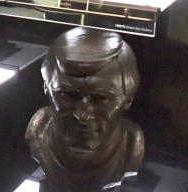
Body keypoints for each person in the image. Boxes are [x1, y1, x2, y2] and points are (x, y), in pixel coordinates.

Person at [27, 27, 143, 192]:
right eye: (67, 94)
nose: (83, 115)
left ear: (128, 99)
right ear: (46, 88)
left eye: (101, 98)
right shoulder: (37, 131)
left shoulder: (132, 146)